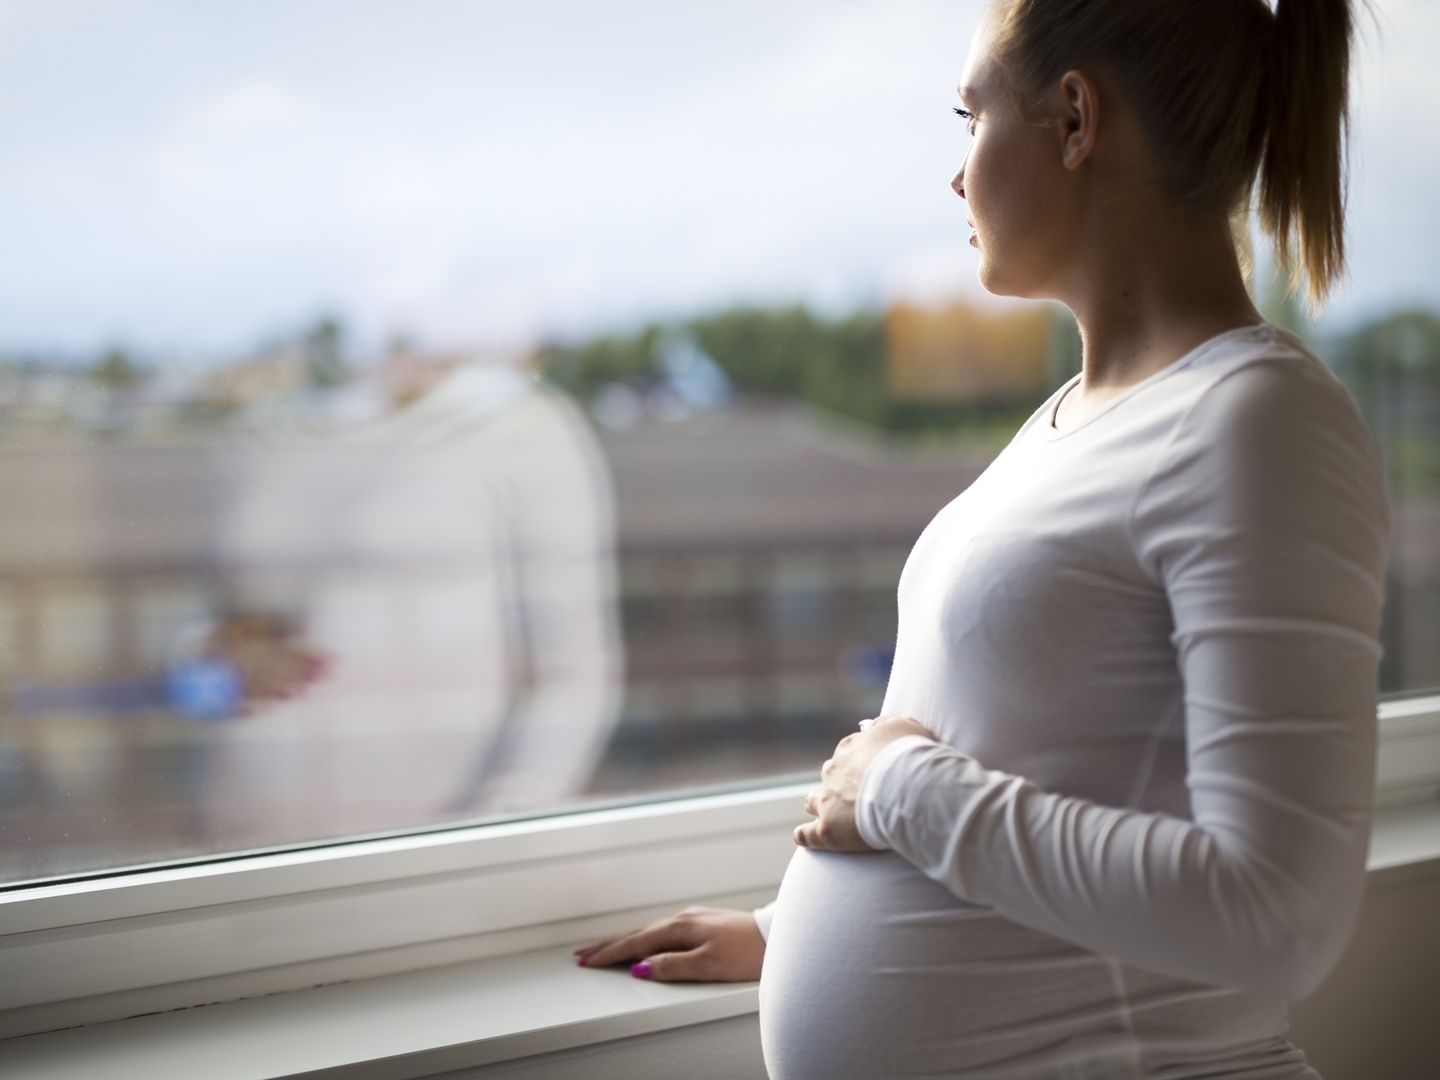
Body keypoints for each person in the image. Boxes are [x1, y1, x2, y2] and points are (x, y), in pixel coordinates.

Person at [578, 0, 1389, 1077]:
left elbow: (1276, 915)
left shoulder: (1259, 423)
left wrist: (899, 793)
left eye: (969, 116)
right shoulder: (1077, 416)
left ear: (1072, 117)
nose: (957, 175)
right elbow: (1053, 750)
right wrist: (787, 931)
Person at [195, 355, 623, 848]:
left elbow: (574, 669)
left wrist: (505, 828)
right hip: (246, 858)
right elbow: (208, 635)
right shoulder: (257, 435)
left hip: (428, 867)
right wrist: (210, 658)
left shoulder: (517, 426)